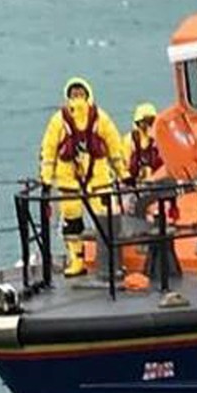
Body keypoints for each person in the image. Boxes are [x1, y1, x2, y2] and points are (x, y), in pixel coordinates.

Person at [38, 77, 128, 277]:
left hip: (98, 179)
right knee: (71, 221)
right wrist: (46, 179)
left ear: (88, 96)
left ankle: (110, 261)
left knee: (106, 219)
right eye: (73, 94)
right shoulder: (58, 121)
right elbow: (49, 150)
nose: (77, 99)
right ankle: (77, 260)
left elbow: (115, 147)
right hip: (68, 180)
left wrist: (123, 174)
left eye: (80, 94)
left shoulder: (101, 119)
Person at [125, 102, 162, 184]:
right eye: (144, 121)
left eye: (151, 121)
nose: (147, 125)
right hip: (136, 185)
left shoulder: (160, 140)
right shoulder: (130, 140)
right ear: (138, 123)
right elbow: (125, 168)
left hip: (158, 184)